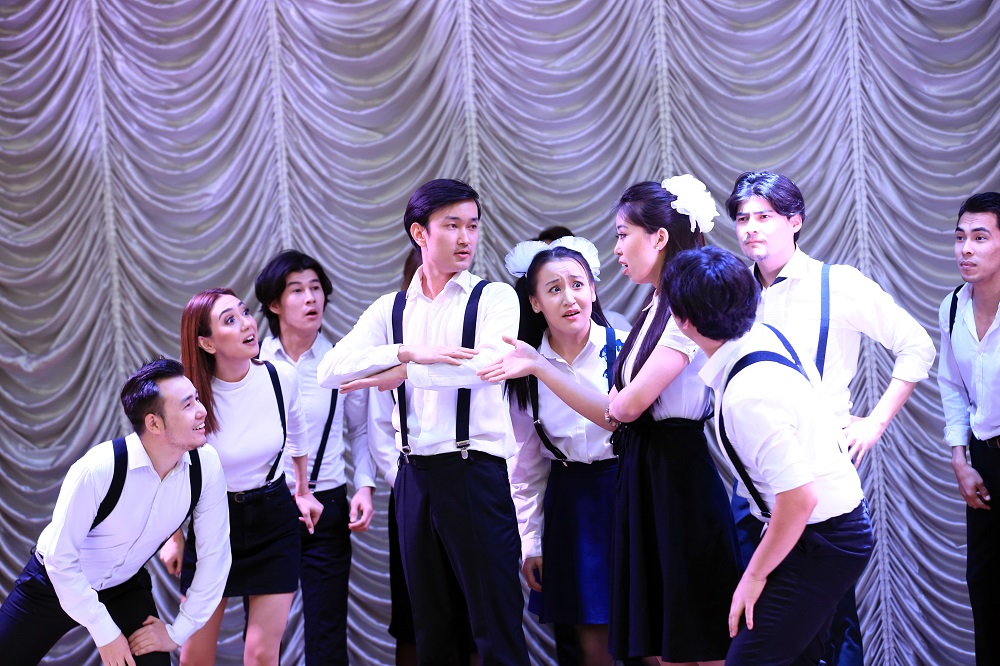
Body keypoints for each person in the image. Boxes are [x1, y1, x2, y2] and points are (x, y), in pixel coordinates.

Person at [725, 171, 935, 665]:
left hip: (821, 475)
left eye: (764, 217)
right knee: (767, 627)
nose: (751, 228)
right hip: (756, 483)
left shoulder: (835, 283)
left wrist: (874, 422)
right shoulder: (735, 291)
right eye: (742, 218)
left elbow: (917, 346)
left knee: (831, 627)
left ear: (795, 221)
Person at [317, 178, 529, 665]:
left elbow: (485, 368)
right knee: (432, 630)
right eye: (452, 225)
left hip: (475, 472)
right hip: (413, 478)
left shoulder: (494, 298)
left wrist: (403, 373)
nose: (465, 238)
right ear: (420, 233)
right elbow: (330, 370)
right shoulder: (390, 309)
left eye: (472, 225)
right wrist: (406, 352)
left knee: (495, 625)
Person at [664, 245, 874, 665]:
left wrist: (755, 575)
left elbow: (799, 497)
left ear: (683, 321)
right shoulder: (767, 336)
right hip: (824, 529)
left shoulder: (748, 394)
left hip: (823, 536)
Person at [0, 358, 231, 666]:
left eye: (197, 399)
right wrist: (104, 631)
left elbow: (215, 555)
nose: (202, 411)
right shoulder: (98, 470)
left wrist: (179, 631)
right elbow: (60, 558)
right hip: (55, 581)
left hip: (124, 585)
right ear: (154, 424)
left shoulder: (206, 465)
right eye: (188, 405)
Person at [605, 176, 740, 664]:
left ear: (660, 237)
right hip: (645, 469)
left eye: (623, 234)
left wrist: (617, 404)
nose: (617, 248)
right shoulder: (651, 306)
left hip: (678, 474)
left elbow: (626, 406)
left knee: (699, 631)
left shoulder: (685, 309)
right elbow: (616, 406)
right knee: (665, 637)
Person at [479, 237, 626, 665]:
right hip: (573, 504)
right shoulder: (522, 371)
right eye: (554, 289)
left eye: (577, 284)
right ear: (535, 302)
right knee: (592, 640)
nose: (569, 298)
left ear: (593, 289)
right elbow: (525, 470)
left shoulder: (626, 347)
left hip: (630, 489)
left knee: (653, 634)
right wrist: (531, 543)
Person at [165, 288, 323, 666]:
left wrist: (303, 490)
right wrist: (174, 536)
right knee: (194, 657)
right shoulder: (189, 397)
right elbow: (170, 467)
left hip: (274, 521)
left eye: (244, 312)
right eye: (230, 320)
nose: (247, 324)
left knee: (262, 655)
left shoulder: (280, 377)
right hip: (214, 525)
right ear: (206, 342)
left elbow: (297, 434)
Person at [255, 250, 376, 666]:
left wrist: (364, 485)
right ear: (274, 304)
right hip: (269, 507)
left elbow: (360, 429)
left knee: (327, 631)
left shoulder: (341, 361)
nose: (311, 298)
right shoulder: (253, 365)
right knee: (262, 637)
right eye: (297, 290)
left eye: (316, 288)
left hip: (327, 505)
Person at [937, 192, 1000, 665]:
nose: (966, 249)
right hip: (984, 459)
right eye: (961, 238)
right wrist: (960, 458)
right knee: (986, 585)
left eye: (980, 238)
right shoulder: (953, 307)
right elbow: (952, 386)